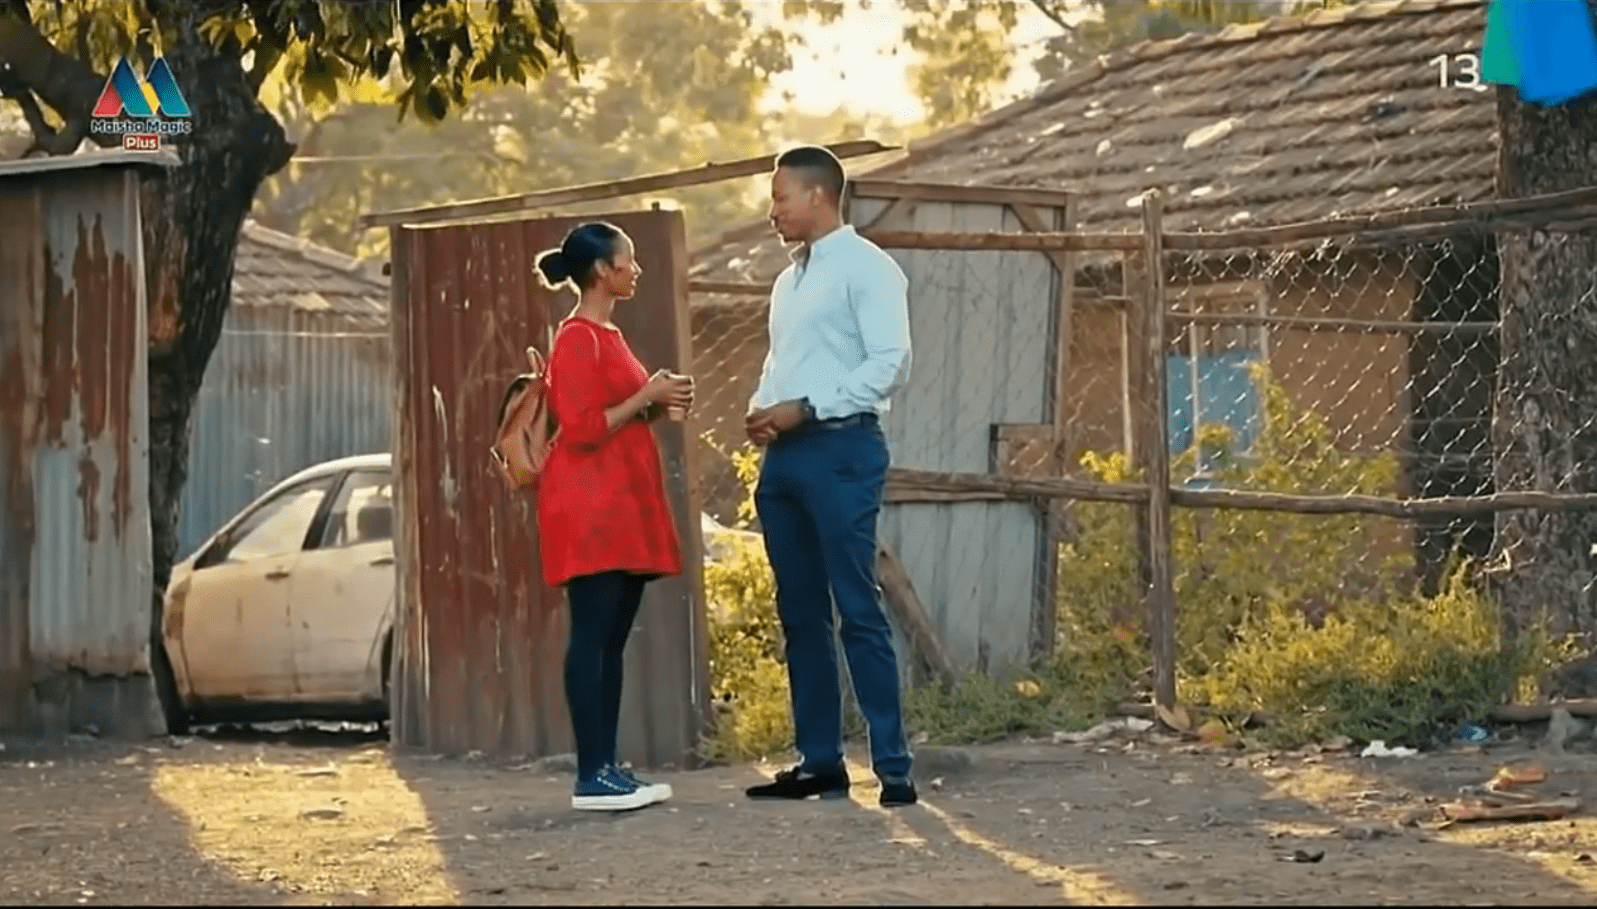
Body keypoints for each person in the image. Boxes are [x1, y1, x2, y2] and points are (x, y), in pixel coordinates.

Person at [742, 146, 917, 807]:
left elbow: (890, 362)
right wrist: (764, 408)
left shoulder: (868, 268)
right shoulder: (789, 281)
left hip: (841, 449)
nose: (772, 211)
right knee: (800, 612)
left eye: (780, 197)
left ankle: (892, 766)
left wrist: (811, 407)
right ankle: (820, 761)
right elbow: (783, 360)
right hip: (785, 456)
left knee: (856, 606)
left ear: (817, 195)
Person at [534, 221, 696, 812]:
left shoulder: (609, 335)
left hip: (620, 501)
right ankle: (591, 774)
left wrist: (655, 401)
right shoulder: (577, 338)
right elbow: (581, 429)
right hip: (590, 505)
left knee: (611, 640)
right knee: (593, 635)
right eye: (629, 259)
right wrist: (646, 396)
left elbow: (616, 415)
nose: (637, 268)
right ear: (604, 271)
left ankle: (607, 766)